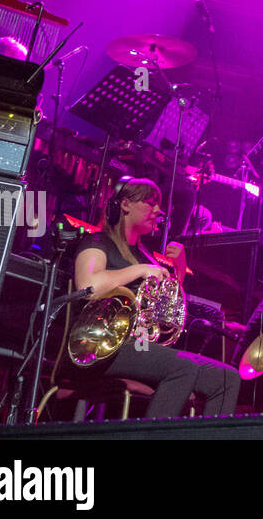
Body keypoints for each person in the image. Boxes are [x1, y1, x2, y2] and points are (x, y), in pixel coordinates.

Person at [71, 178, 240, 418]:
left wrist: (179, 270)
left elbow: (167, 310)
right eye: (150, 203)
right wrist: (138, 271)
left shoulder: (145, 256)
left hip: (139, 344)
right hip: (101, 347)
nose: (159, 211)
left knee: (226, 379)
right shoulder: (98, 242)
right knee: (183, 368)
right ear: (126, 204)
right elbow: (88, 286)